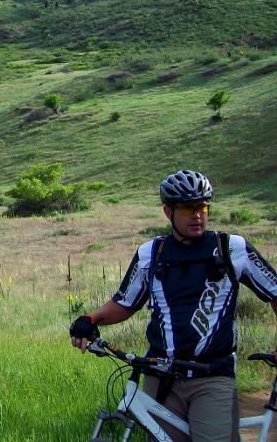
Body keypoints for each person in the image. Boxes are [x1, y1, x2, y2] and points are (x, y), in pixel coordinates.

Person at [69, 169, 277, 442]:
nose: (198, 214)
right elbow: (125, 304)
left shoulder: (232, 248)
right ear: (168, 212)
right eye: (188, 208)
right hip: (161, 375)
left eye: (202, 206)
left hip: (212, 376)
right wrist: (91, 319)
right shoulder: (151, 253)